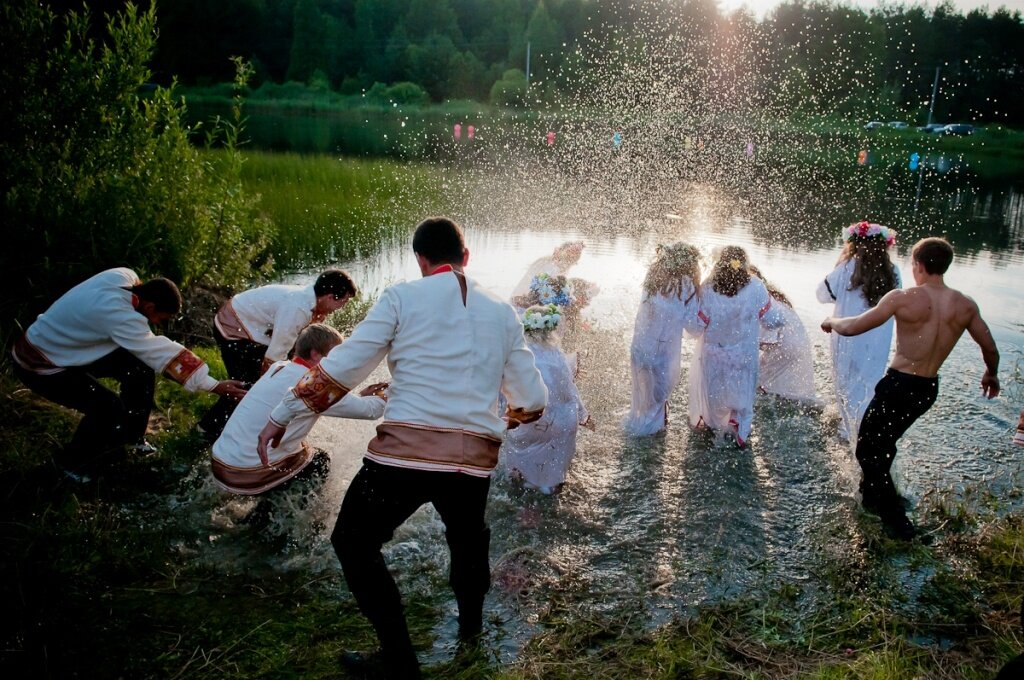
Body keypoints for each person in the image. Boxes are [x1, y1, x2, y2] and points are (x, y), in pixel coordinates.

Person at [257, 217, 547, 678]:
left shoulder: (400, 297)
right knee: (468, 544)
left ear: (420, 260)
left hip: (403, 456)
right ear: (466, 257)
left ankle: (398, 656)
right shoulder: (502, 311)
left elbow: (343, 367)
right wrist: (505, 420)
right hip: (471, 462)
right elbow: (532, 400)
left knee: (353, 541)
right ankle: (470, 637)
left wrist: (282, 413)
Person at [822, 237, 1000, 540]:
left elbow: (853, 327)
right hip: (927, 389)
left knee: (867, 449)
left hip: (898, 385)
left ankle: (898, 522)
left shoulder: (902, 298)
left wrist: (832, 321)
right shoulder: (966, 305)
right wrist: (991, 374)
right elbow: (990, 348)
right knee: (884, 443)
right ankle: (873, 496)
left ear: (918, 265)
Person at [10, 267, 247, 482]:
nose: (157, 324)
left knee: (139, 368)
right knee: (107, 407)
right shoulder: (117, 315)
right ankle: (70, 467)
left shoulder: (123, 275)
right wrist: (213, 385)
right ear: (150, 307)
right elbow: (158, 351)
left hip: (67, 346)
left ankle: (131, 439)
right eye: (160, 318)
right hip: (40, 364)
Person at [211, 324, 387, 496]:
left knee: (302, 448)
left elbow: (325, 400)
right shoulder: (314, 386)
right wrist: (389, 391)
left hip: (220, 461)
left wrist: (358, 396)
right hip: (247, 472)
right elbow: (371, 411)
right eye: (335, 356)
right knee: (319, 461)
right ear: (315, 354)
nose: (339, 362)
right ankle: (274, 513)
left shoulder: (278, 367)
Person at [198, 269, 357, 439]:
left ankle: (245, 425)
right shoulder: (298, 308)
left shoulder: (310, 301)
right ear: (330, 297)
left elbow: (292, 345)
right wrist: (271, 385)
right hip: (233, 329)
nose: (341, 308)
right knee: (248, 386)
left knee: (264, 380)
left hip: (250, 328)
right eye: (343, 302)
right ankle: (207, 430)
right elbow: (275, 357)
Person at [688, 246, 784, 448]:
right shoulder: (756, 287)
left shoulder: (708, 288)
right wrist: (780, 313)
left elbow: (697, 327)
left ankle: (714, 437)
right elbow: (772, 321)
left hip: (714, 357)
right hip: (743, 359)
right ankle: (739, 432)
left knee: (715, 404)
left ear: (719, 264)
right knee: (743, 401)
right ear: (745, 264)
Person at [816, 221, 901, 442]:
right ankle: (863, 427)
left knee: (845, 382)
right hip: (877, 340)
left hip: (847, 334)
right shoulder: (894, 271)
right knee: (869, 384)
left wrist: (838, 264)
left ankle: (848, 433)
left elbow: (821, 295)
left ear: (854, 244)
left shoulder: (846, 267)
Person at [503, 305, 590, 494]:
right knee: (554, 466)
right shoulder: (557, 354)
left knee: (520, 456)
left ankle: (522, 490)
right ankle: (550, 488)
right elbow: (570, 391)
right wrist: (583, 414)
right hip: (565, 422)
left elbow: (507, 389)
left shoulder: (520, 354)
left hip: (534, 422)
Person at [625, 243, 702, 435]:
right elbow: (693, 326)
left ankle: (640, 427)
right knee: (658, 400)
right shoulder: (686, 285)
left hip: (640, 346)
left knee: (643, 398)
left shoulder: (653, 277)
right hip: (663, 352)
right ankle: (651, 435)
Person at [748, 265, 819, 405]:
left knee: (755, 384)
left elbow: (758, 342)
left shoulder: (760, 301)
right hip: (797, 345)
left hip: (785, 348)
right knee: (790, 392)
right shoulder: (774, 297)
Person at [510, 241, 585, 298]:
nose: (569, 263)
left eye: (573, 259)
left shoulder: (549, 263)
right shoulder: (551, 266)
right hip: (524, 300)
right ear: (558, 252)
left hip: (522, 298)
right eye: (569, 257)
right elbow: (542, 291)